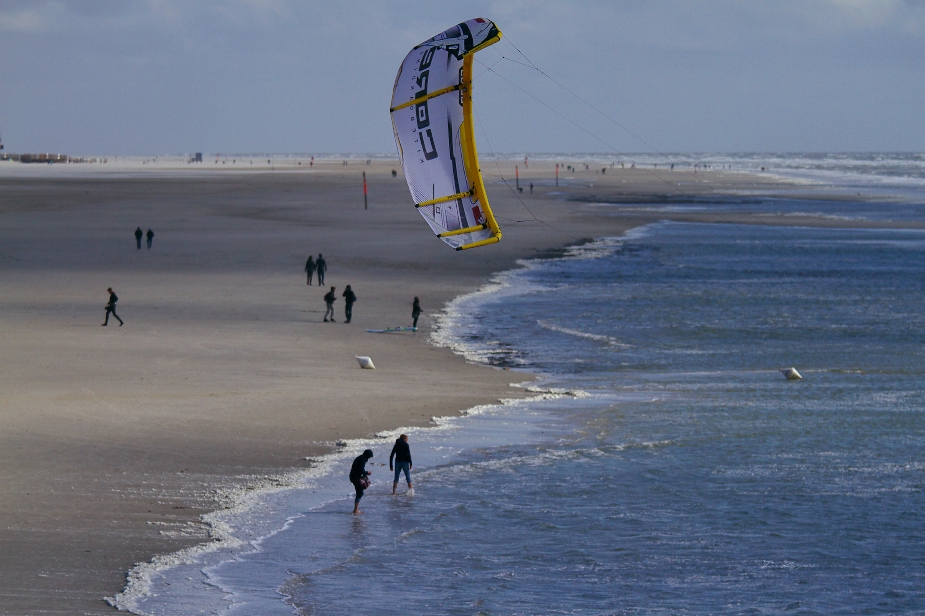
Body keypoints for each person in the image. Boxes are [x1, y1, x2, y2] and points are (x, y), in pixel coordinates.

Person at [349, 449, 374, 514]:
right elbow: (361, 470)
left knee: (359, 492)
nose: (369, 458)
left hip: (354, 476)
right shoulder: (362, 460)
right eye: (369, 457)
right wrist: (367, 473)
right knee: (360, 493)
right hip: (355, 477)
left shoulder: (361, 458)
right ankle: (355, 510)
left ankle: (355, 509)